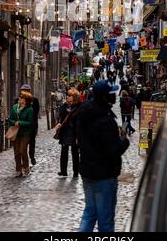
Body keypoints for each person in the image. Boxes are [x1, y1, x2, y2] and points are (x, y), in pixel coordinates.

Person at [77, 80, 130, 232]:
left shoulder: (85, 114)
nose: (115, 96)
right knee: (105, 221)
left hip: (87, 171)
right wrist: (123, 140)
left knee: (90, 213)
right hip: (104, 174)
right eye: (112, 94)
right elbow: (113, 150)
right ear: (105, 97)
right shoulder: (105, 121)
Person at [55, 88, 82, 178]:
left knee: (75, 152)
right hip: (65, 131)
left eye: (69, 96)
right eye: (67, 96)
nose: (67, 97)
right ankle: (63, 171)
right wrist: (59, 124)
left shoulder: (79, 107)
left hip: (74, 132)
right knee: (64, 151)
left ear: (74, 97)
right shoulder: (64, 106)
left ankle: (75, 172)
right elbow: (61, 118)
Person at [7, 89, 34, 177]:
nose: (19, 98)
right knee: (16, 152)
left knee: (22, 150)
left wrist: (20, 123)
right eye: (20, 96)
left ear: (25, 100)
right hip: (16, 132)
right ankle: (18, 169)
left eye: (21, 97)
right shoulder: (14, 107)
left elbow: (30, 123)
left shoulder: (29, 110)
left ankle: (26, 167)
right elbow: (10, 119)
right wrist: (13, 122)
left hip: (25, 133)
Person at [18, 84, 40, 166]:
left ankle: (32, 157)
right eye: (23, 91)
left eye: (26, 91)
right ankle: (22, 159)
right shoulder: (18, 100)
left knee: (32, 142)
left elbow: (36, 113)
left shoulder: (35, 100)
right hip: (21, 126)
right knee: (21, 144)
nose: (24, 92)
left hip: (32, 125)